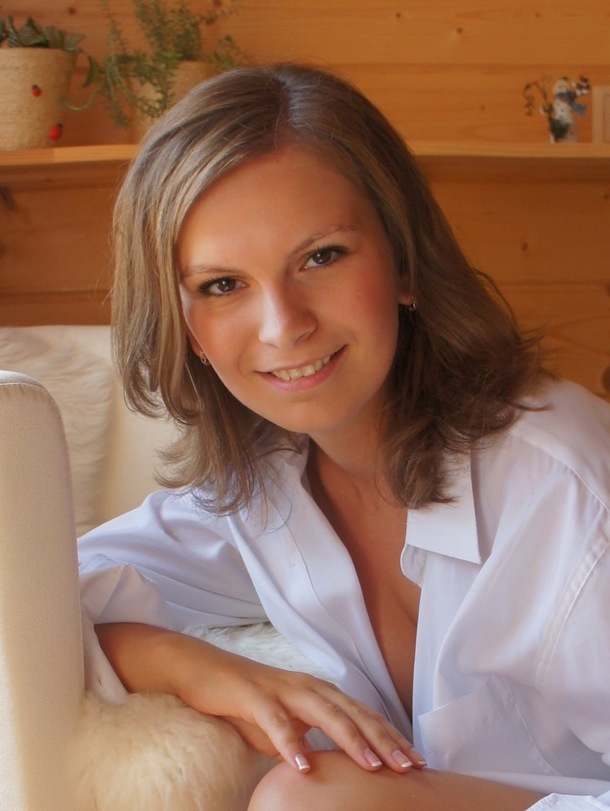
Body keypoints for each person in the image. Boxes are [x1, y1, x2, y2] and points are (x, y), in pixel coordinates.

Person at [78, 62, 610, 810]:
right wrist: (195, 667)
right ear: (186, 327)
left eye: (321, 256)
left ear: (404, 261)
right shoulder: (265, 487)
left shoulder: (565, 485)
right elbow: (44, 594)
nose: (283, 326)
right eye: (223, 285)